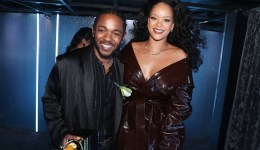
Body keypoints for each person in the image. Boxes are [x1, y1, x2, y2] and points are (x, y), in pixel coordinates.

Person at [116, 0, 203, 149]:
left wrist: (167, 145)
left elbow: (179, 109)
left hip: (158, 137)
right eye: (154, 18)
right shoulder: (129, 50)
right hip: (123, 130)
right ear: (147, 20)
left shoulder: (180, 57)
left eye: (166, 20)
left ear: (173, 25)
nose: (159, 24)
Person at [42, 9, 126, 150]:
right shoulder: (67, 63)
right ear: (93, 31)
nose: (107, 38)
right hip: (77, 145)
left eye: (115, 33)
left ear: (122, 37)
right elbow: (50, 100)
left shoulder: (124, 69)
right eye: (102, 30)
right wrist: (61, 134)